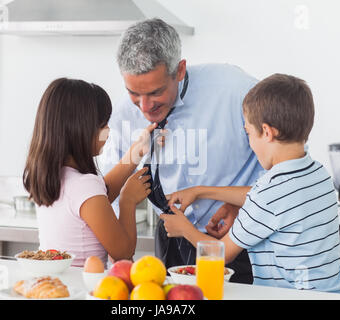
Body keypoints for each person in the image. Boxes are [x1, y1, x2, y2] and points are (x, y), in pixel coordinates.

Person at [100, 18, 264, 284]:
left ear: (179, 70)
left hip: (238, 239)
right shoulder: (123, 113)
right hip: (169, 239)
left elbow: (283, 162)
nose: (144, 107)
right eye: (134, 93)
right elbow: (109, 192)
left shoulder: (236, 91)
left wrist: (240, 207)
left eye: (155, 92)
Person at [162, 74, 340, 292]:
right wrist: (200, 191)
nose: (250, 141)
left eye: (248, 132)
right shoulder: (317, 173)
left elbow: (221, 253)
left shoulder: (269, 195)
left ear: (267, 132)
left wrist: (184, 229)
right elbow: (263, 196)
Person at [23, 77, 156, 268]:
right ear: (79, 129)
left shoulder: (50, 176)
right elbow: (123, 252)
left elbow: (96, 199)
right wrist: (128, 200)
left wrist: (136, 152)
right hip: (85, 288)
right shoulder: (84, 186)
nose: (108, 130)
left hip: (55, 283)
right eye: (102, 124)